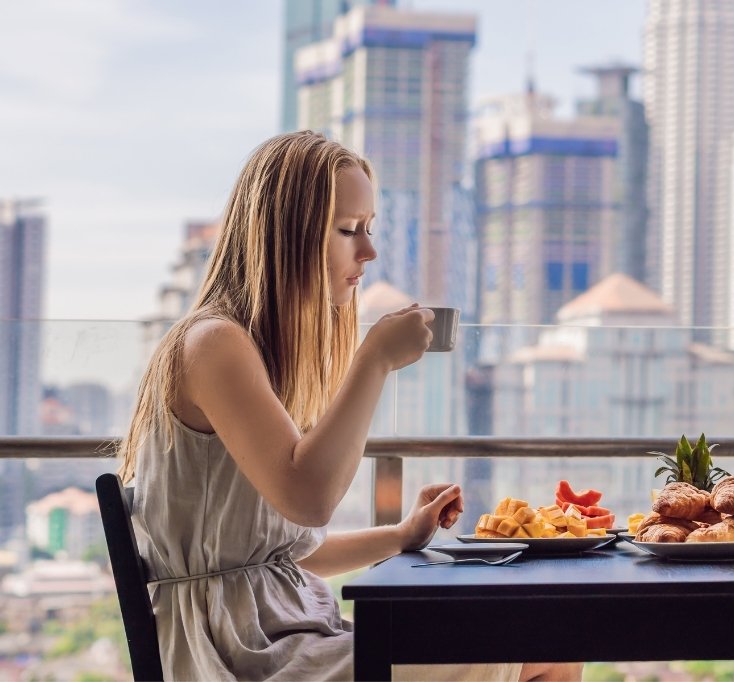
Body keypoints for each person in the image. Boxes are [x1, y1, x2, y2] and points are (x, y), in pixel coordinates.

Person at [118, 131, 582, 681]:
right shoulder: (212, 344)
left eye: (369, 228)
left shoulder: (248, 352)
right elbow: (308, 499)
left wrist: (403, 535)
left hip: (285, 637)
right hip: (239, 656)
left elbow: (289, 554)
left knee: (545, 644)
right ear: (286, 235)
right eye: (347, 230)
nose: (369, 251)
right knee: (546, 651)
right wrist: (374, 361)